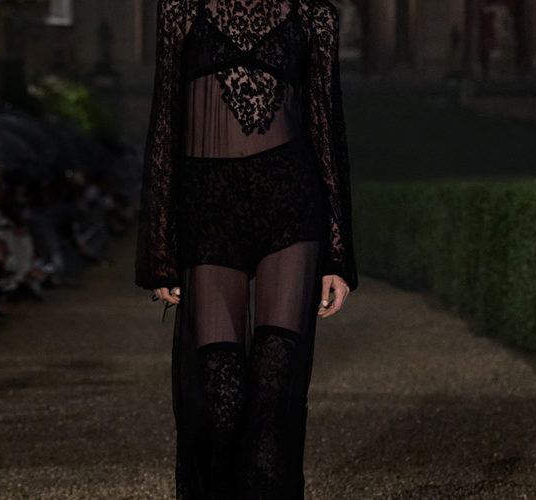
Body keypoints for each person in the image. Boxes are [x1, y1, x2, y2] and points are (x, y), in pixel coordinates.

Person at [134, 0, 358, 498]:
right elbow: (166, 121)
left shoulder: (313, 14)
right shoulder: (181, 8)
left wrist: (337, 253)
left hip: (288, 199)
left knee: (274, 389)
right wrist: (160, 248)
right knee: (222, 392)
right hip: (208, 205)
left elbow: (325, 127)